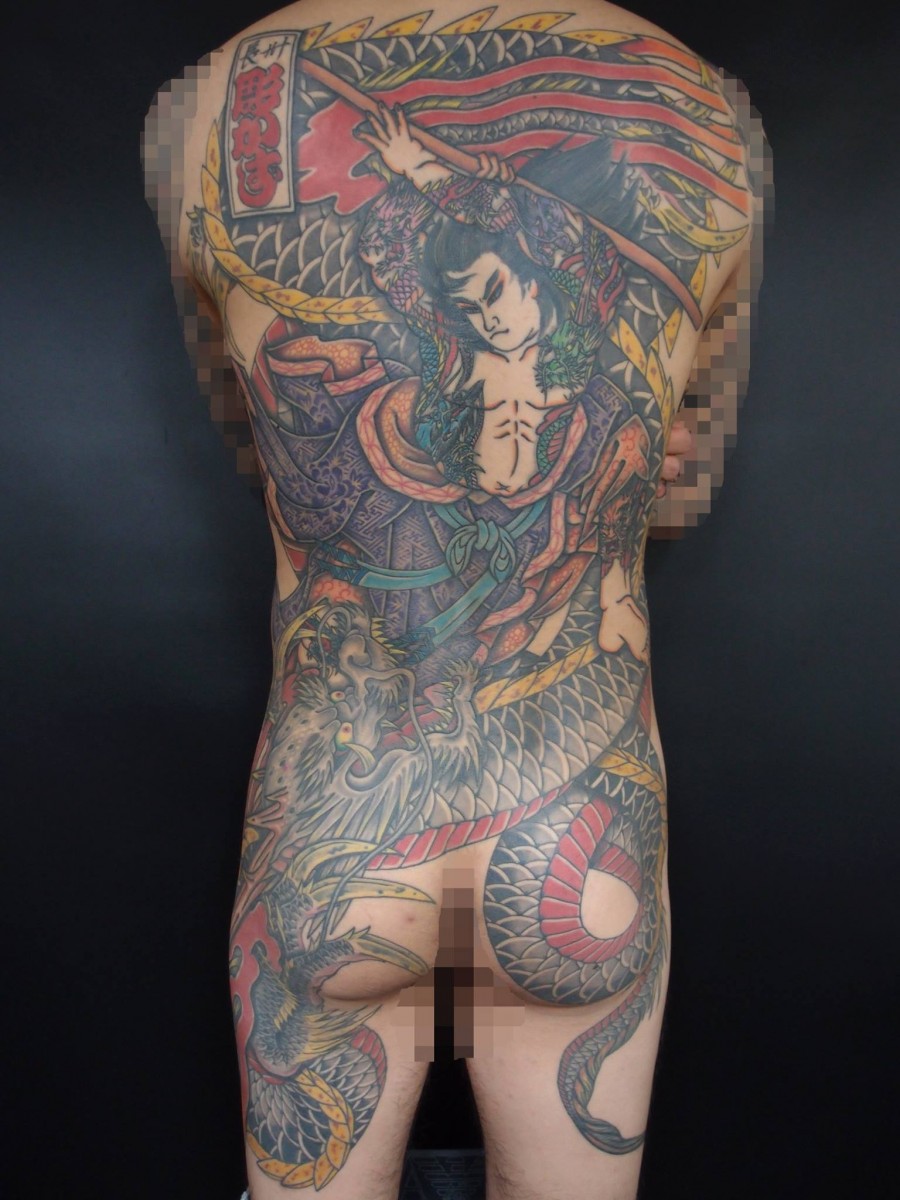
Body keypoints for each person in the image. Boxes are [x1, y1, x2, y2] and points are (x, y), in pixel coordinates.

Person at [145, 3, 756, 1197]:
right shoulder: (711, 118)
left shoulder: (205, 106)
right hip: (576, 825)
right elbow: (678, 484)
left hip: (338, 823)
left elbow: (261, 449)